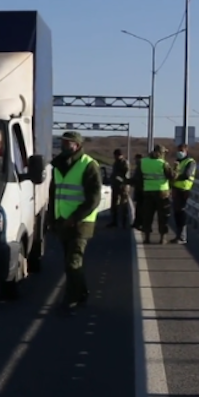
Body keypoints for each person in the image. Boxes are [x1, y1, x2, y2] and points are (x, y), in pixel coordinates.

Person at [48, 131, 102, 314]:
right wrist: (52, 219)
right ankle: (82, 294)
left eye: (68, 143)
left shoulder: (89, 165)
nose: (63, 145)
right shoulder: (58, 165)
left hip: (80, 223)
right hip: (62, 221)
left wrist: (75, 218)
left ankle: (70, 300)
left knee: (73, 262)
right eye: (62, 142)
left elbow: (93, 199)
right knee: (69, 262)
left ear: (77, 145)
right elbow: (54, 194)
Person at [134, 145, 174, 244]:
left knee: (147, 216)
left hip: (148, 192)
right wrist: (176, 169)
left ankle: (147, 237)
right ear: (161, 153)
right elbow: (172, 176)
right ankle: (162, 238)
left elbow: (138, 177)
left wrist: (141, 188)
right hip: (162, 193)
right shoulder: (163, 163)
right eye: (164, 153)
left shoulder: (143, 162)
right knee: (163, 216)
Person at [170, 143, 196, 244]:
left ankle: (182, 237)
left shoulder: (190, 162)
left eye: (181, 151)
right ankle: (178, 235)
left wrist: (175, 177)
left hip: (184, 190)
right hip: (176, 189)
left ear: (186, 150)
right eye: (178, 150)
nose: (179, 152)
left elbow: (187, 174)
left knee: (181, 213)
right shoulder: (178, 162)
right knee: (177, 213)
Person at [106, 148, 130, 228]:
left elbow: (125, 175)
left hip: (123, 186)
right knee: (114, 204)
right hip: (115, 185)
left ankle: (124, 222)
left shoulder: (124, 163)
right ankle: (114, 221)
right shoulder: (116, 162)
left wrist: (118, 178)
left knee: (123, 204)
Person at [130, 153, 143, 229]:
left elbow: (137, 179)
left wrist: (130, 181)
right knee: (138, 208)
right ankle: (137, 222)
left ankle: (139, 223)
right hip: (139, 189)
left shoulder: (140, 167)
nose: (135, 161)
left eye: (136, 159)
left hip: (141, 190)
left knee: (140, 208)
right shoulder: (139, 167)